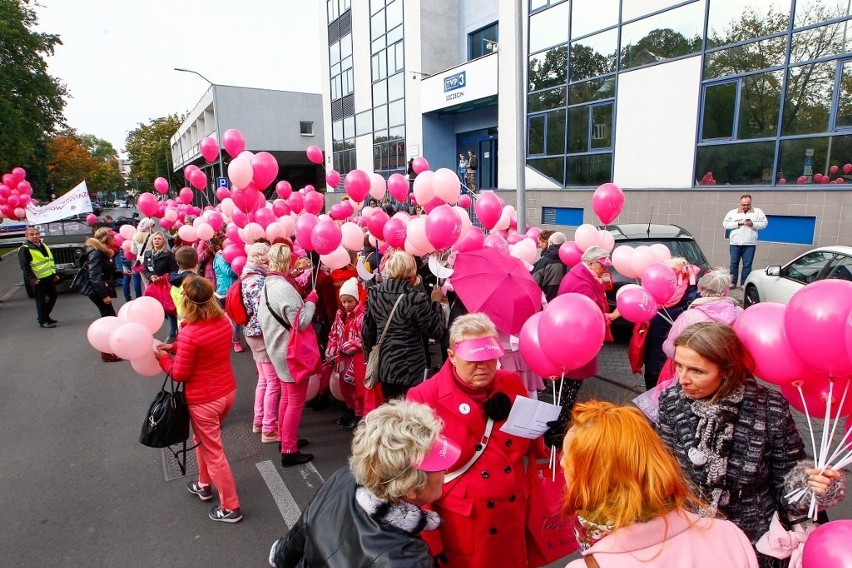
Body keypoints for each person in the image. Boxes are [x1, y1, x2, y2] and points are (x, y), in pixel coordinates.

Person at [658, 322, 846, 566]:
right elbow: (664, 465)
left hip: (751, 534)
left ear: (726, 370)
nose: (682, 379)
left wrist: (814, 486)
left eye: (696, 371)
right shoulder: (671, 402)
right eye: (679, 366)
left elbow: (788, 478)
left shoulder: (769, 408)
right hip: (687, 528)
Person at [407, 313, 542, 568]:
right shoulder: (425, 396)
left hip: (511, 516)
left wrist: (549, 430)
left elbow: (530, 445)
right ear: (451, 356)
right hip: (464, 526)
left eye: (490, 358)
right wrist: (430, 542)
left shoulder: (510, 383)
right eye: (474, 360)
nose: (484, 366)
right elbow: (416, 479)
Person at [562, 400, 759, 567]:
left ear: (594, 478)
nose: (561, 462)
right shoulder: (729, 536)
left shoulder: (589, 564)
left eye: (567, 457)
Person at [268, 399, 460, 568]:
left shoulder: (343, 478)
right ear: (409, 488)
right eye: (438, 466)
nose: (445, 471)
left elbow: (300, 533)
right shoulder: (408, 559)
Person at [155, 275, 242, 523]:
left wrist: (161, 358)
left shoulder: (190, 333)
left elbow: (180, 373)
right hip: (226, 392)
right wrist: (174, 348)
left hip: (204, 399)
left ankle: (231, 507)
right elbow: (205, 351)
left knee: (214, 452)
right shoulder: (223, 321)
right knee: (203, 440)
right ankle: (204, 484)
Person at [258, 243, 319, 467]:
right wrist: (311, 302)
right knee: (295, 401)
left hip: (276, 348)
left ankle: (285, 438)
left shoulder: (269, 283)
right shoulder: (284, 289)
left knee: (286, 397)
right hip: (289, 352)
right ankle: (289, 450)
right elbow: (301, 322)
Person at [363, 250, 446, 399]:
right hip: (412, 365)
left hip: (385, 362)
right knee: (411, 409)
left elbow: (367, 331)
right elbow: (436, 331)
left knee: (391, 409)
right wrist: (436, 303)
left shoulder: (374, 293)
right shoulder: (415, 298)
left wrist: (368, 357)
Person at [555, 246, 619, 416]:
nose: (605, 269)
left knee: (566, 388)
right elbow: (591, 317)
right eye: (602, 266)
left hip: (570, 341)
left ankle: (561, 420)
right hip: (575, 344)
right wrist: (613, 315)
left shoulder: (581, 276)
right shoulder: (582, 284)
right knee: (568, 389)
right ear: (590, 263)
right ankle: (560, 428)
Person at [326, 277, 379, 430]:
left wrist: (349, 345)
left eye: (350, 301)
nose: (346, 305)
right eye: (344, 301)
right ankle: (351, 409)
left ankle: (359, 413)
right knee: (345, 387)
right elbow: (334, 333)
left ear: (356, 300)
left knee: (357, 388)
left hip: (356, 358)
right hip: (341, 358)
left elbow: (364, 337)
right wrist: (331, 348)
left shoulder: (362, 316)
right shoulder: (340, 315)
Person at [241, 242, 280, 442]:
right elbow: (261, 310)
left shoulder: (247, 274)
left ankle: (259, 420)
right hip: (260, 333)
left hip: (251, 331)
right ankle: (269, 428)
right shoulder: (257, 279)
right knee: (273, 382)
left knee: (264, 380)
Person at [662, 268, 742, 362]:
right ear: (725, 291)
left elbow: (670, 348)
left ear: (700, 290)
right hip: (729, 366)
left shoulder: (688, 316)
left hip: (696, 366)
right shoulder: (739, 313)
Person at [83, 228, 121, 362]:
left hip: (99, 289)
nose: (115, 238)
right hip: (97, 291)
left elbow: (105, 272)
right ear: (106, 238)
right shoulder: (96, 254)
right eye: (113, 236)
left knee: (110, 319)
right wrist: (104, 295)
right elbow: (95, 277)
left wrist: (121, 274)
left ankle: (109, 351)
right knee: (109, 321)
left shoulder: (102, 252)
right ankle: (106, 352)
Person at [722, 194, 768, 287]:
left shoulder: (758, 212)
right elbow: (725, 224)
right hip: (735, 243)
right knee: (734, 263)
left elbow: (764, 223)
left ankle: (744, 284)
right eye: (743, 205)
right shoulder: (733, 212)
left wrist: (752, 224)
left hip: (750, 243)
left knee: (747, 265)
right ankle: (732, 283)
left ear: (751, 203)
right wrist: (738, 223)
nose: (745, 207)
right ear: (740, 203)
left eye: (748, 204)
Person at [142, 231, 179, 343]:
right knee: (158, 308)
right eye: (155, 239)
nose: (157, 240)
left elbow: (174, 271)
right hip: (154, 285)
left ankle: (172, 334)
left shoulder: (168, 254)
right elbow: (145, 269)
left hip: (165, 284)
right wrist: (150, 276)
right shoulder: (148, 253)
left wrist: (163, 277)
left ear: (164, 241)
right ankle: (174, 329)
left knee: (169, 309)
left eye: (159, 239)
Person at [18, 227, 59, 328]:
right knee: (41, 300)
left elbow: (49, 261)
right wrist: (32, 279)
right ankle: (43, 321)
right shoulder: (25, 249)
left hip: (49, 276)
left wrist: (54, 274)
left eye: (36, 234)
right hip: (38, 279)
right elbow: (25, 266)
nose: (35, 236)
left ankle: (45, 316)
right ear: (27, 236)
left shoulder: (43, 245)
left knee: (53, 296)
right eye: (31, 235)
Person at [213, 246, 245, 353]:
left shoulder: (233, 255)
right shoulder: (220, 257)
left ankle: (234, 339)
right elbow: (228, 271)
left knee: (235, 317)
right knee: (231, 318)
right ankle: (235, 341)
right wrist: (241, 264)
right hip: (224, 291)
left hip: (235, 289)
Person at [532, 231, 568, 302]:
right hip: (565, 304)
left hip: (547, 303)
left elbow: (533, 284)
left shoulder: (543, 262)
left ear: (550, 243)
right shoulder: (571, 261)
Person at [169, 246, 198, 324]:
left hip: (182, 324)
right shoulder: (196, 283)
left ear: (177, 263)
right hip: (196, 324)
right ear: (197, 261)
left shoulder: (174, 282)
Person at [130, 218, 155, 294]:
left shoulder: (135, 236)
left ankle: (146, 296)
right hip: (151, 261)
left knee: (146, 283)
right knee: (154, 281)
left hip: (140, 262)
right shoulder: (152, 236)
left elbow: (133, 251)